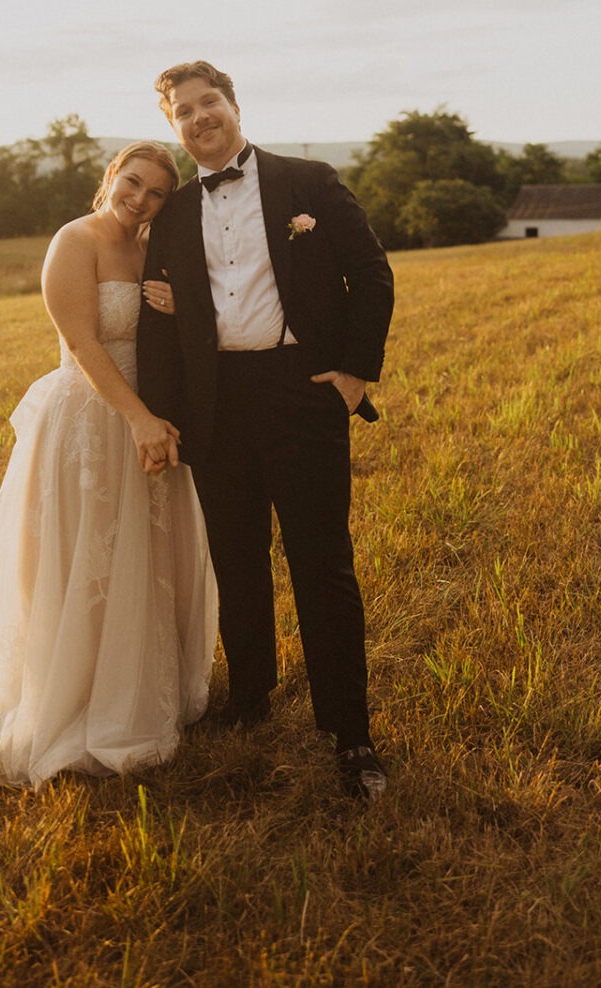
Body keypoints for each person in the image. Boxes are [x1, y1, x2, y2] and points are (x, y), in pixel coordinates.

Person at [136, 62, 394, 800]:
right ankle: (251, 699)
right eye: (182, 111)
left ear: (234, 106)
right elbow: (158, 333)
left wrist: (352, 373)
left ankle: (350, 732)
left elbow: (370, 275)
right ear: (173, 128)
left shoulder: (308, 181)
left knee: (322, 565)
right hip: (217, 405)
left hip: (302, 392)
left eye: (207, 102)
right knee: (237, 563)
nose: (198, 117)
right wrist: (165, 415)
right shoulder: (174, 214)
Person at [0, 142, 218, 789]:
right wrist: (136, 418)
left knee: (150, 557)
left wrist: (174, 307)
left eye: (156, 192)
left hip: (154, 420)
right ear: (111, 176)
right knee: (88, 557)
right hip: (92, 419)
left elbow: (184, 326)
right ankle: (77, 697)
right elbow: (81, 342)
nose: (139, 198)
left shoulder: (152, 247)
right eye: (132, 183)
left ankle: (140, 687)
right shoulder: (74, 241)